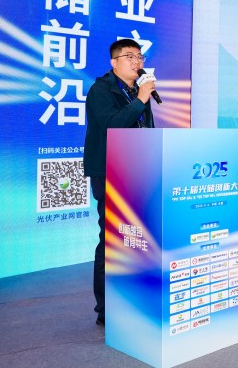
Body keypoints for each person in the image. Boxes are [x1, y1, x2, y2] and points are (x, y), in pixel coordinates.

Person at [83, 39, 157, 325]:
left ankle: (133, 298)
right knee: (112, 239)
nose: (137, 62)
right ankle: (106, 309)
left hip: (138, 170)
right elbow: (113, 124)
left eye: (140, 56)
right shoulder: (101, 90)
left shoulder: (138, 91)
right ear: (114, 62)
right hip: (109, 171)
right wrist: (140, 100)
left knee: (137, 238)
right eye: (130, 56)